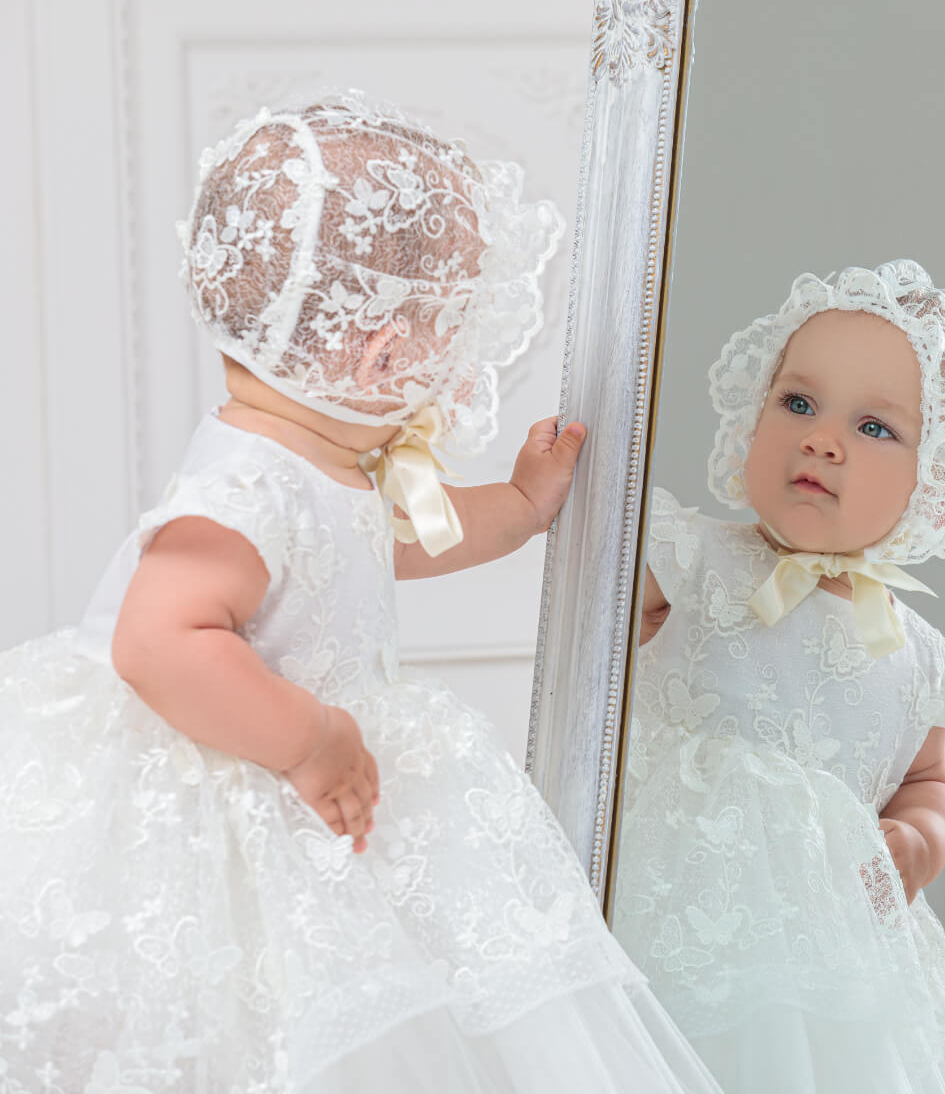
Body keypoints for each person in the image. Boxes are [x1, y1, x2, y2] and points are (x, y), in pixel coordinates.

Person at [0, 95, 722, 1094]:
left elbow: (392, 543)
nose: (455, 369)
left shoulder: (330, 466)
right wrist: (303, 739)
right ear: (378, 349)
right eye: (449, 340)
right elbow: (158, 642)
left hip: (296, 789)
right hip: (218, 803)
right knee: (237, 1031)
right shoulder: (243, 485)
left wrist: (520, 504)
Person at [612, 260, 945, 1093]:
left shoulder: (920, 654)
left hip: (826, 955)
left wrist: (918, 839)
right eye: (798, 402)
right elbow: (594, 625)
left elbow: (927, 781)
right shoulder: (692, 560)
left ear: (941, 486)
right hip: (663, 908)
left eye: (875, 428)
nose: (821, 438)